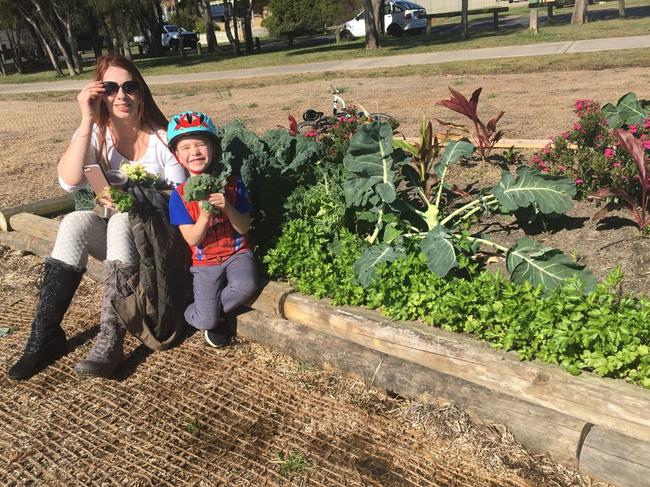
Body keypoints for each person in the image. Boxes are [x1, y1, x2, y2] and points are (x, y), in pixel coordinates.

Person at [9, 54, 186, 381]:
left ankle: (111, 338)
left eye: (130, 87)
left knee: (121, 218)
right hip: (119, 241)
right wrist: (87, 119)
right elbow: (70, 181)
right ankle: (44, 335)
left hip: (158, 241)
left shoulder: (162, 138)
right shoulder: (97, 132)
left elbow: (180, 201)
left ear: (141, 92)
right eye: (111, 87)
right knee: (75, 222)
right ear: (99, 93)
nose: (122, 95)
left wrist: (138, 199)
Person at [167, 111, 258, 347]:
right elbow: (194, 240)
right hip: (205, 262)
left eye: (201, 145)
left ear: (213, 149)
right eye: (185, 147)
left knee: (246, 286)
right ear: (177, 156)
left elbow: (244, 226)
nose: (195, 152)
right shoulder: (178, 197)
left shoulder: (233, 184)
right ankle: (197, 314)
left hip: (237, 253)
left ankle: (209, 310)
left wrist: (227, 206)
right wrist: (205, 215)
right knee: (205, 319)